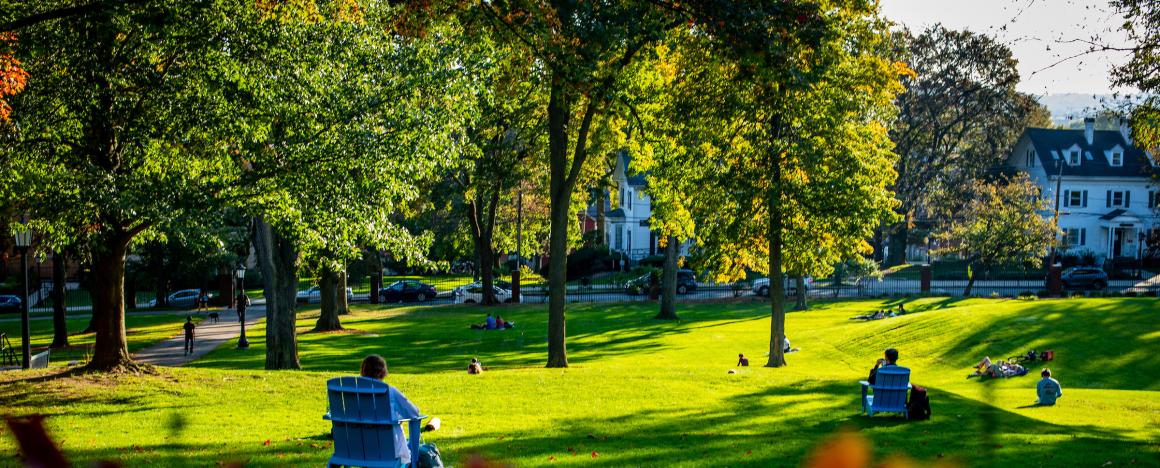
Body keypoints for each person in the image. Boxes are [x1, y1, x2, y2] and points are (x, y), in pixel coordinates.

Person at [359, 355, 428, 466]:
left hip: (362, 449)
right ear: (383, 372)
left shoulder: (354, 394)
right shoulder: (390, 391)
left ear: (363, 371)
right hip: (389, 450)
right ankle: (414, 463)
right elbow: (414, 412)